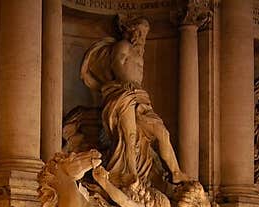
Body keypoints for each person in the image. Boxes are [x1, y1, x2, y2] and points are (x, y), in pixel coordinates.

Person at [81, 18, 190, 188]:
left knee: (162, 133)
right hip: (122, 92)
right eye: (139, 32)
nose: (141, 37)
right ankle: (130, 173)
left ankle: (176, 172)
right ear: (131, 31)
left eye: (144, 34)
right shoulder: (123, 46)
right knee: (128, 135)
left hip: (140, 96)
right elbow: (117, 63)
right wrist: (125, 82)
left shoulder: (140, 53)